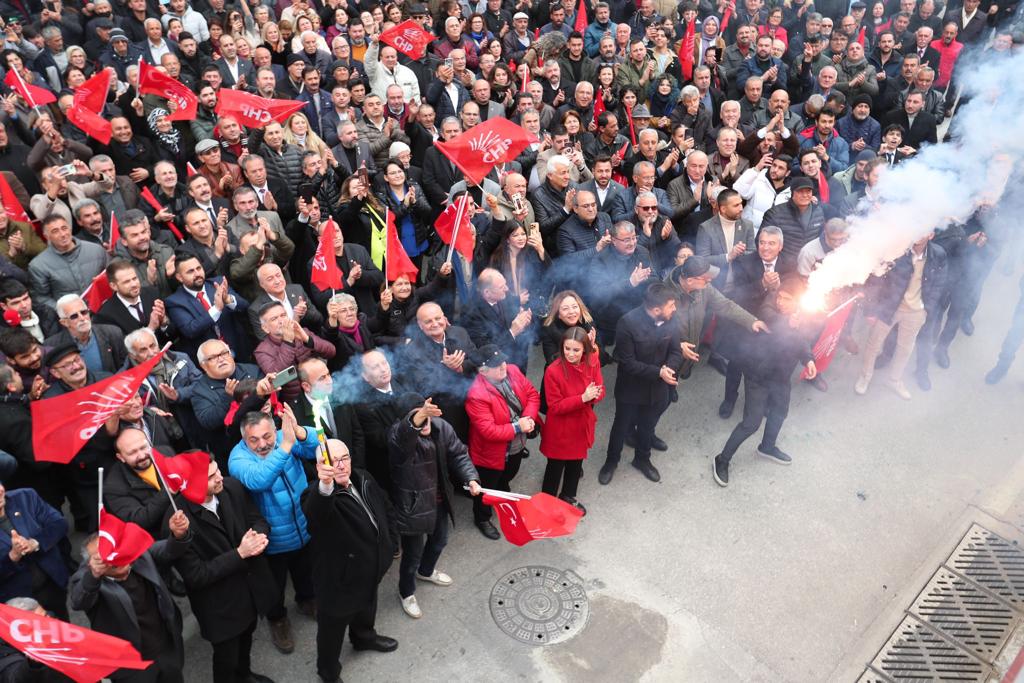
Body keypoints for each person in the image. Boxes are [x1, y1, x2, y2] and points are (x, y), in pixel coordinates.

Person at [174, 455, 277, 683]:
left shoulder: (231, 487)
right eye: (211, 476)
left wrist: (259, 536)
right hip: (220, 607)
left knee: (247, 638)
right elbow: (196, 575)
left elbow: (257, 519)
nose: (220, 478)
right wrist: (240, 553)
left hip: (251, 591)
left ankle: (245, 675)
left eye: (217, 470)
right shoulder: (180, 523)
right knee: (226, 659)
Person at [303, 439, 399, 683]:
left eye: (344, 457)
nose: (341, 465)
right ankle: (328, 672)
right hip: (339, 582)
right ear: (320, 466)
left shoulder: (363, 477)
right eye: (333, 462)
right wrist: (324, 485)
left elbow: (385, 507)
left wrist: (391, 542)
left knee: (367, 609)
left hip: (372, 569)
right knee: (331, 633)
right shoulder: (318, 494)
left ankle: (364, 638)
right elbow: (315, 516)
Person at [229, 405, 321, 654]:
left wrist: (300, 432)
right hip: (273, 538)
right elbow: (259, 479)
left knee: (305, 571)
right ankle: (277, 619)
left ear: (275, 429)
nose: (262, 444)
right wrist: (286, 446)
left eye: (267, 436)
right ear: (243, 439)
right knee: (274, 586)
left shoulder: (285, 437)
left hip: (303, 524)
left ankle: (307, 600)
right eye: (254, 439)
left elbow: (318, 447)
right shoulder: (237, 459)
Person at [712, 278, 818, 487]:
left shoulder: (801, 318)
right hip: (758, 376)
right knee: (751, 424)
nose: (780, 302)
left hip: (781, 378)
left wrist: (809, 359)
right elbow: (770, 321)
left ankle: (767, 447)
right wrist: (789, 323)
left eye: (787, 299)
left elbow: (803, 341)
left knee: (780, 413)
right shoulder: (770, 308)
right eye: (780, 297)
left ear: (798, 301)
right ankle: (721, 460)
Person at [69, 509, 192, 683]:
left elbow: (168, 550)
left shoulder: (136, 554)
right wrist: (94, 576)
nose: (117, 557)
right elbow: (78, 601)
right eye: (106, 556)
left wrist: (178, 535)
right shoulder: (88, 578)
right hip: (132, 665)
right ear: (91, 563)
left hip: (165, 648)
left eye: (116, 549)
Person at [387, 396, 481, 619]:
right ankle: (406, 592)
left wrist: (471, 479)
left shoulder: (441, 426)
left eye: (428, 414)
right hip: (414, 506)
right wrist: (421, 415)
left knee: (440, 541)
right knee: (412, 555)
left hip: (439, 500)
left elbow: (459, 454)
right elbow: (404, 437)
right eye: (420, 415)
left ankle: (426, 571)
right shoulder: (397, 436)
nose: (426, 420)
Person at [598, 282, 682, 486]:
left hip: (658, 389)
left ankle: (642, 459)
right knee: (621, 426)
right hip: (631, 389)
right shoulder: (627, 323)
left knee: (647, 426)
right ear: (656, 310)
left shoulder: (672, 319)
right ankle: (611, 461)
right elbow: (627, 362)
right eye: (671, 305)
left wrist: (669, 369)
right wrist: (658, 372)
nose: (675, 309)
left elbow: (676, 351)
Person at [855, 233, 947, 400]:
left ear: (931, 234)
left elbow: (939, 283)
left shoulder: (938, 254)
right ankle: (865, 377)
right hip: (889, 307)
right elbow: (875, 279)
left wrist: (927, 309)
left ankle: (895, 380)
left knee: (905, 348)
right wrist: (870, 310)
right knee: (873, 343)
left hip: (916, 312)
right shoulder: (895, 251)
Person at [465, 344, 540, 539]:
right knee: (485, 489)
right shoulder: (476, 395)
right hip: (491, 454)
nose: (503, 366)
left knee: (507, 476)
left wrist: (529, 418)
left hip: (515, 446)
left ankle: (502, 493)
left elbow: (532, 394)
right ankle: (482, 518)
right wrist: (518, 427)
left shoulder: (513, 370)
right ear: (483, 371)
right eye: (497, 365)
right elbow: (488, 431)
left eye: (503, 361)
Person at [539, 327, 603, 514]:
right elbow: (555, 406)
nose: (571, 354)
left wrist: (595, 394)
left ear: (585, 349)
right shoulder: (553, 371)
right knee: (555, 468)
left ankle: (568, 496)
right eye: (567, 349)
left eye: (576, 350)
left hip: (581, 425)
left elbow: (600, 388)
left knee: (576, 464)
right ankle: (547, 504)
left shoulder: (592, 362)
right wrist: (583, 398)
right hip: (561, 429)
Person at [0, 481, 71, 620]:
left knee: (64, 630)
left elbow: (59, 523)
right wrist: (12, 557)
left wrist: (35, 543)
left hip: (51, 584)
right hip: (17, 603)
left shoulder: (26, 497)